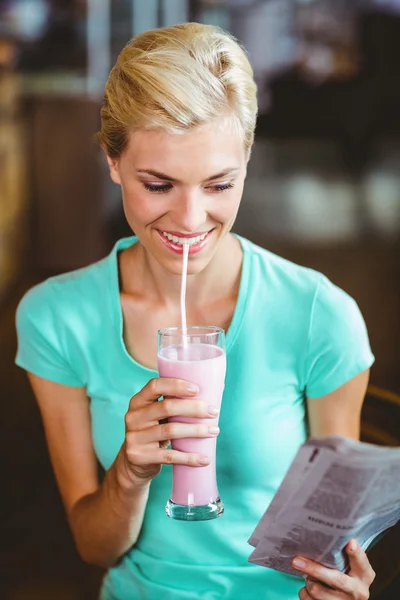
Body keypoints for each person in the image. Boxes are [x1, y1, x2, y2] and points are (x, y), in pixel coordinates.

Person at [15, 22, 376, 600]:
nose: (189, 220)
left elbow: (335, 536)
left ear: (247, 160)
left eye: (218, 184)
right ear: (112, 160)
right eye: (158, 184)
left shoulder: (320, 314)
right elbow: (94, 546)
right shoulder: (56, 317)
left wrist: (341, 583)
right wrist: (129, 475)